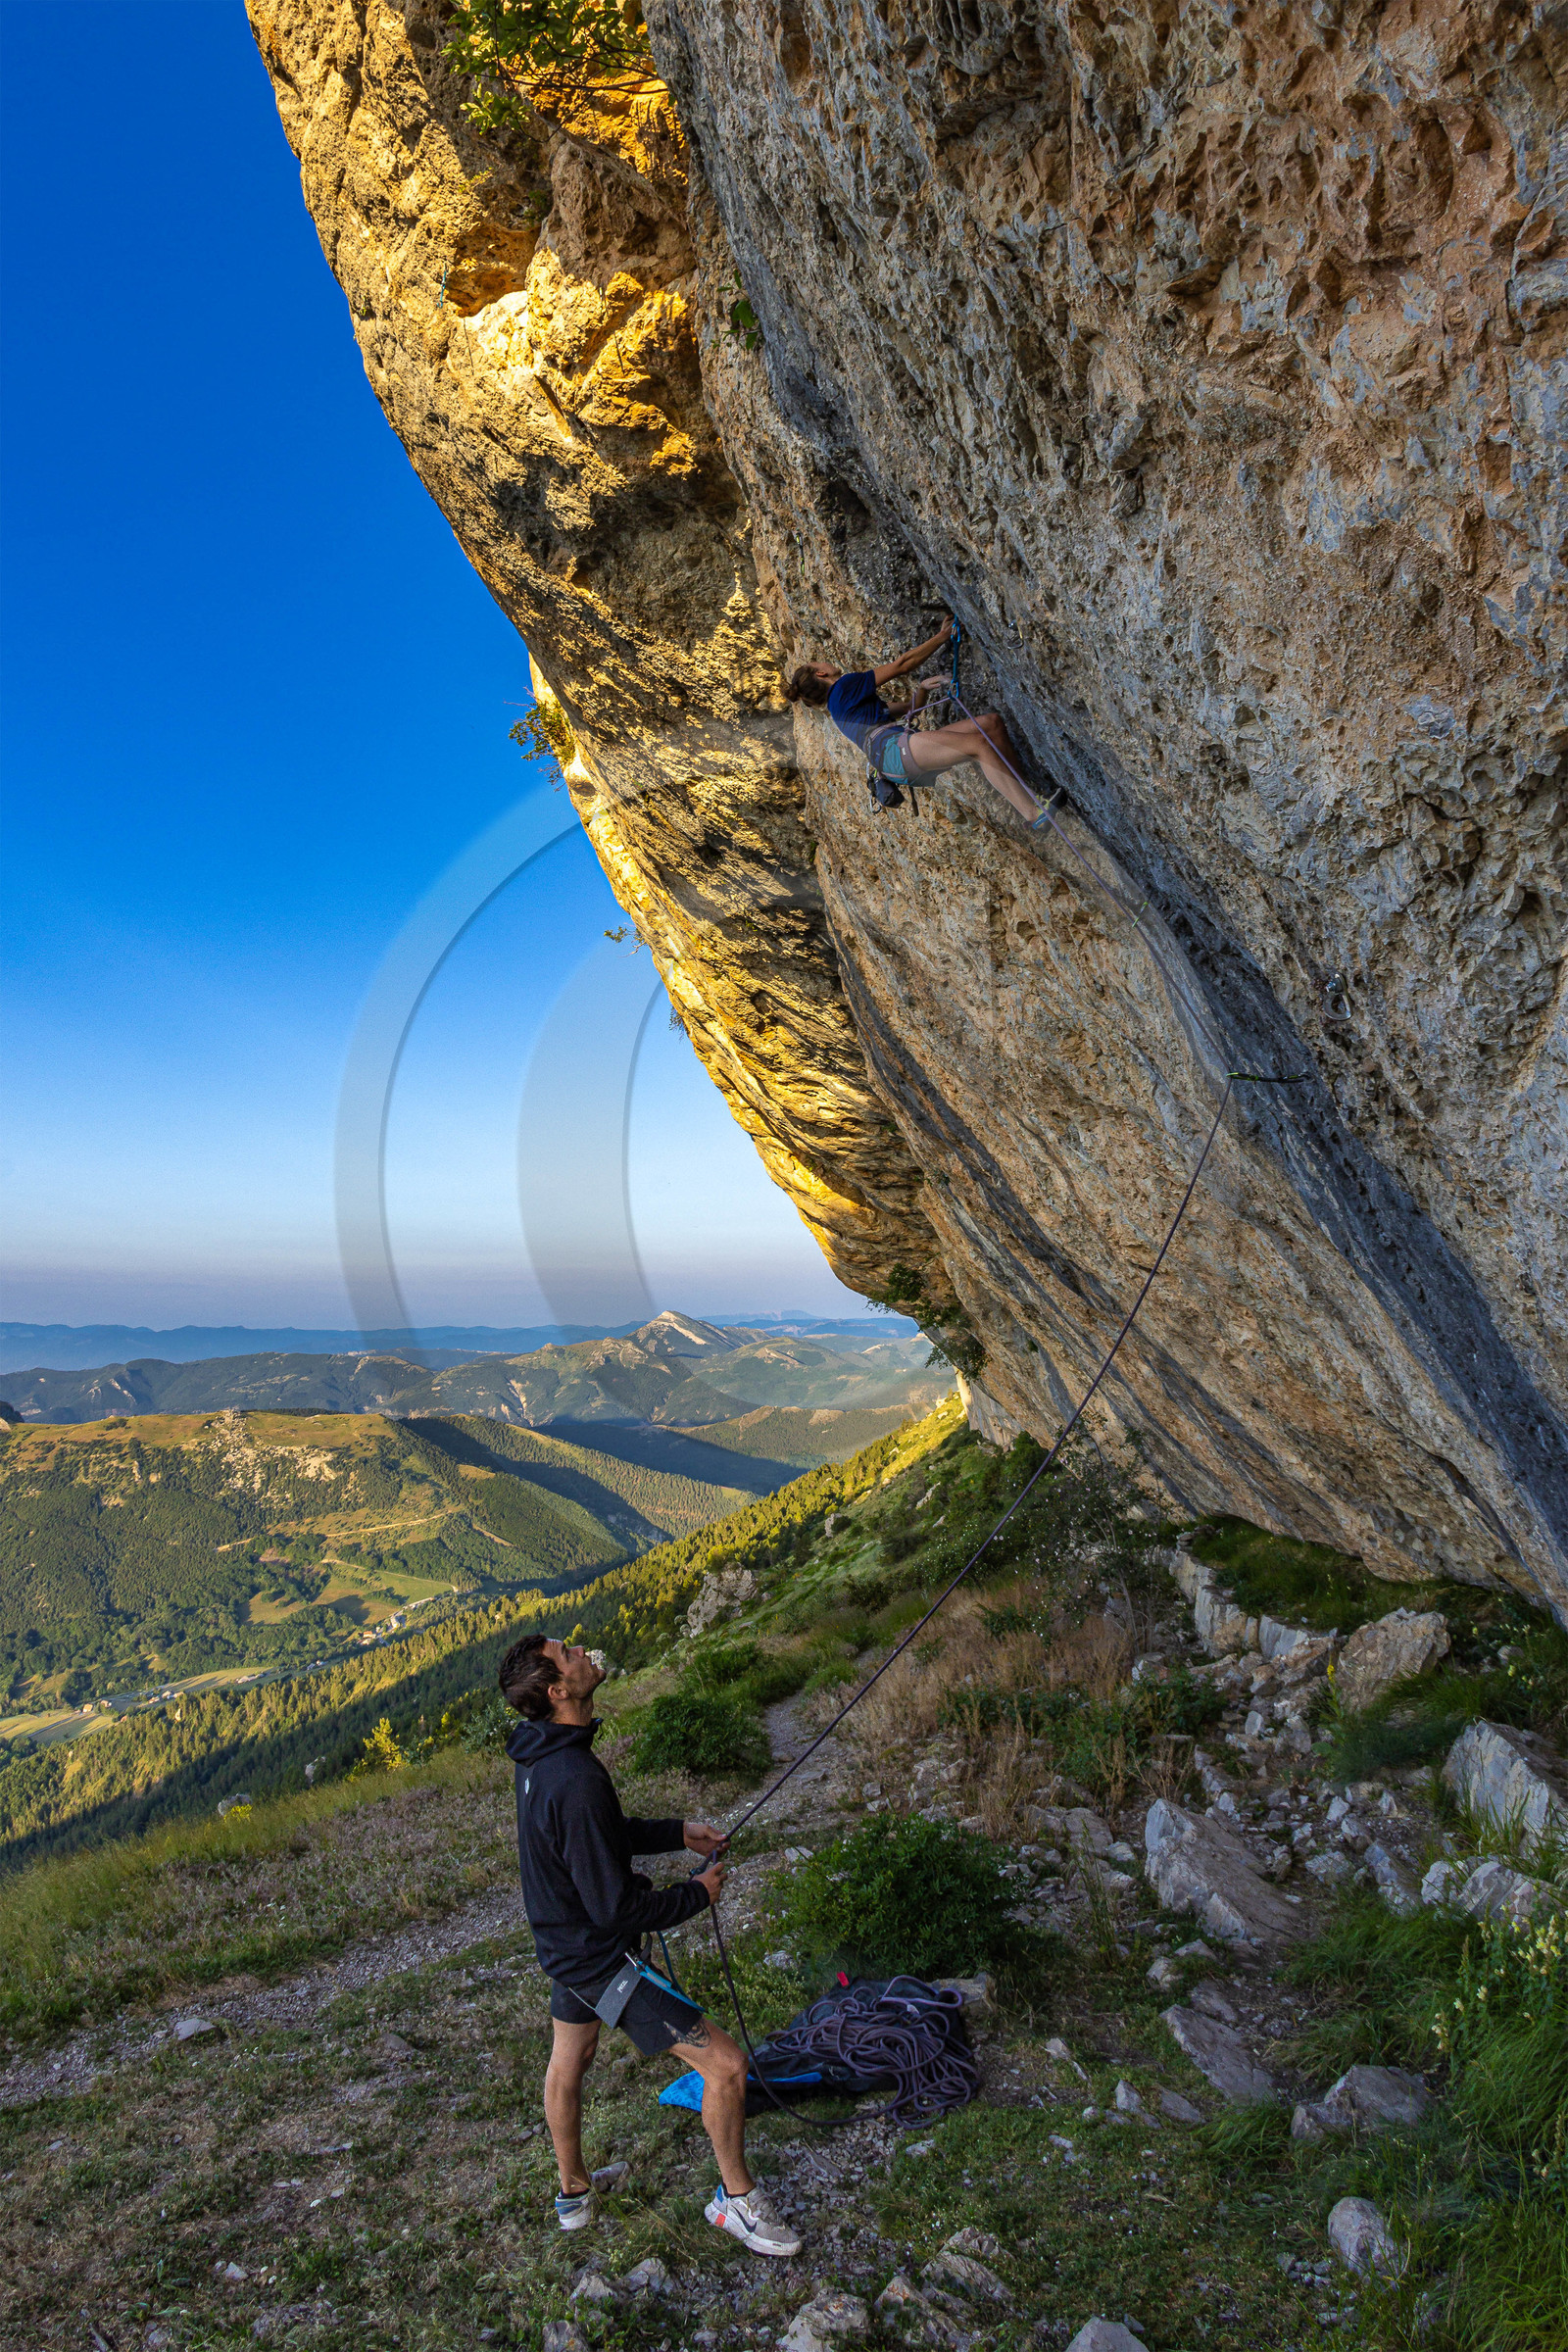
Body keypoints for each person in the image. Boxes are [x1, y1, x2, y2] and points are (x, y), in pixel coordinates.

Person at [499, 1631, 802, 2258]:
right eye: (570, 1655)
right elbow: (617, 1907)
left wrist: (676, 1832)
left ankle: (574, 2194)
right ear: (559, 1690)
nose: (583, 1652)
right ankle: (737, 2203)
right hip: (601, 1958)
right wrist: (697, 1894)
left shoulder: (541, 1757)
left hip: (565, 1947)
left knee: (569, 2063)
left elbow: (593, 1837)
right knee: (726, 2065)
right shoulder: (573, 1775)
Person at [784, 615, 1047, 824]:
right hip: (894, 751)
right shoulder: (844, 687)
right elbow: (902, 664)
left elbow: (911, 708)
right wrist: (942, 637)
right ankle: (1033, 814)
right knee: (979, 743)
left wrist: (921, 689)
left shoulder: (847, 706)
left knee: (990, 724)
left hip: (893, 757)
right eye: (820, 662)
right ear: (820, 672)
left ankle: (1032, 800)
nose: (826, 662)